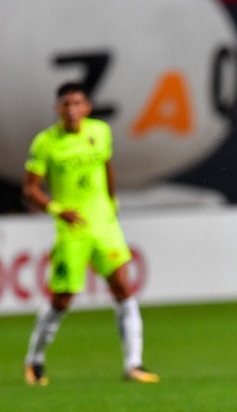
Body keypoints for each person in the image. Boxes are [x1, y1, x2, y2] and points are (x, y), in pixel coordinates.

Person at [22, 82, 160, 386]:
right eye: (66, 104)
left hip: (105, 225)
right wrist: (57, 209)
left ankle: (133, 364)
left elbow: (106, 167)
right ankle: (35, 360)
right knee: (62, 298)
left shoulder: (100, 131)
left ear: (87, 107)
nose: (72, 110)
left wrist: (112, 203)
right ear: (57, 109)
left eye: (77, 103)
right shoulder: (46, 143)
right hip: (73, 229)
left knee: (124, 288)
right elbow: (30, 189)